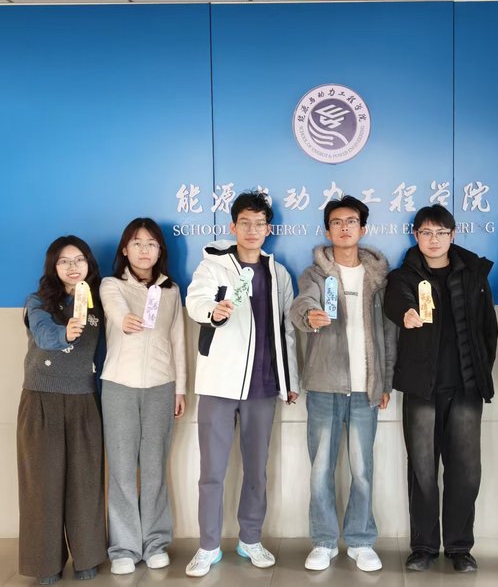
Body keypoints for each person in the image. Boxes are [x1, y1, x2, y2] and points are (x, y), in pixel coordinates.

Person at [184, 191, 299, 577]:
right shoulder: (213, 266)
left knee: (256, 470)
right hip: (219, 383)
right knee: (212, 472)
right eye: (245, 223)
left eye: (259, 224)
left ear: (268, 229)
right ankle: (208, 546)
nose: (252, 230)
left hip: (263, 386)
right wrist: (213, 312)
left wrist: (290, 380)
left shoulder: (278, 273)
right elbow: (195, 302)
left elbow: (287, 331)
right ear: (233, 226)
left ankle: (250, 539)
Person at [384, 204, 498, 573]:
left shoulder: (473, 274)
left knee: (465, 471)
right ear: (415, 236)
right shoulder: (404, 275)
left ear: (453, 235)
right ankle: (423, 547)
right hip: (422, 389)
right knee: (422, 471)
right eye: (426, 233)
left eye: (441, 233)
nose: (434, 240)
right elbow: (395, 301)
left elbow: (488, 329)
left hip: (465, 388)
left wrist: (480, 373)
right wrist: (407, 313)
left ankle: (460, 547)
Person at [290, 196, 396, 573]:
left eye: (351, 221)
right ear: (327, 230)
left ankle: (361, 540)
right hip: (324, 385)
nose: (344, 228)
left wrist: (385, 381)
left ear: (362, 229)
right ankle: (323, 541)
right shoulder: (315, 273)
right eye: (337, 222)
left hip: (367, 388)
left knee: (362, 469)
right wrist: (310, 316)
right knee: (321, 469)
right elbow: (301, 305)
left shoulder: (378, 278)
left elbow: (389, 333)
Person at [17, 236, 106, 585]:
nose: (73, 267)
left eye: (79, 259)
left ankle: (88, 556)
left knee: (86, 482)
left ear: (89, 264)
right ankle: (45, 563)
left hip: (84, 398)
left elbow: (106, 351)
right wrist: (65, 333)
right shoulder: (38, 301)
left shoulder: (98, 302)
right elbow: (42, 333)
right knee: (42, 485)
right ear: (53, 267)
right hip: (42, 399)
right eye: (64, 261)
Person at [99, 218, 187, 575]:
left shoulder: (171, 290)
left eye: (151, 243)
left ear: (159, 250)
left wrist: (180, 388)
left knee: (154, 469)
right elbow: (115, 309)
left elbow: (178, 340)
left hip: (161, 386)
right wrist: (125, 320)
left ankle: (155, 542)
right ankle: (123, 547)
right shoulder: (111, 285)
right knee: (121, 469)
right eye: (137, 243)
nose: (144, 250)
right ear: (125, 249)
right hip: (119, 385)